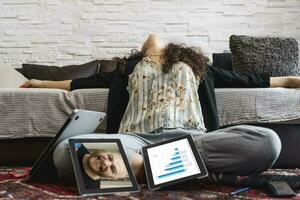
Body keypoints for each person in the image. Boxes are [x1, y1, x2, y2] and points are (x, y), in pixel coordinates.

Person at [22, 34, 300, 184]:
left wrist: (289, 80)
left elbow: (246, 80)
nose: (151, 44)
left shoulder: (197, 67)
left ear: (175, 49)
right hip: (133, 139)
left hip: (192, 137)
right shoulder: (125, 69)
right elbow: (78, 82)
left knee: (268, 143)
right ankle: (181, 171)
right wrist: (37, 82)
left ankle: (146, 170)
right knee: (63, 152)